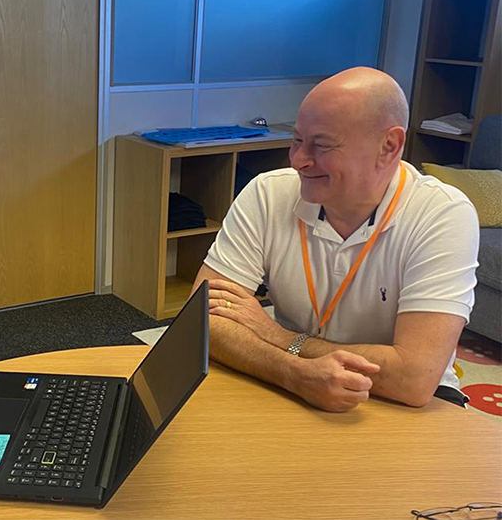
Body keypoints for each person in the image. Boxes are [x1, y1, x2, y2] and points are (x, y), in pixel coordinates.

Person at [192, 67, 479, 413]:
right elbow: (202, 321)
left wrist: (280, 338)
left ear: (389, 146)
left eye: (322, 145)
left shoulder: (442, 214)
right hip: (292, 382)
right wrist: (294, 373)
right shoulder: (268, 193)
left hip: (407, 404)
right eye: (297, 140)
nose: (299, 160)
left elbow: (413, 378)